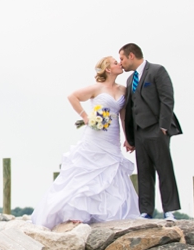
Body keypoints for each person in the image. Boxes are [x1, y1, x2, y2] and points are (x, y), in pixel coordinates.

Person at [30, 56, 141, 229]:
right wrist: (85, 116)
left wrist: (128, 138)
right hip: (95, 135)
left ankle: (108, 215)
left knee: (111, 169)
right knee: (87, 170)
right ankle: (76, 213)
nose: (119, 64)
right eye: (115, 62)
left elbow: (123, 116)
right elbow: (72, 96)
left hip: (112, 135)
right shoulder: (96, 88)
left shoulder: (124, 90)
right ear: (108, 69)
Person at [119, 43, 182, 219]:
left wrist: (163, 126)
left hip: (157, 129)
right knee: (144, 172)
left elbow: (167, 99)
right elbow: (130, 110)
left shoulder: (157, 71)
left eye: (122, 58)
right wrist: (130, 138)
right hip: (139, 132)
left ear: (132, 56)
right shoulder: (130, 80)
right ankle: (146, 211)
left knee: (164, 169)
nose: (121, 62)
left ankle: (169, 210)